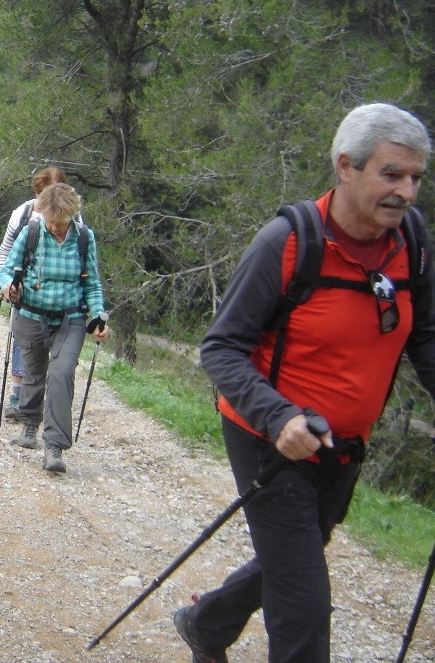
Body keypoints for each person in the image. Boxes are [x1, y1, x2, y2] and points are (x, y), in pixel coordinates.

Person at [178, 103, 435, 663]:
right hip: (269, 438)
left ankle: (207, 622)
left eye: (416, 177)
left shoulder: (411, 242)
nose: (407, 192)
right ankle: (212, 624)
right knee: (304, 604)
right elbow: (220, 348)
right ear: (346, 166)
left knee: (293, 556)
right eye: (391, 174)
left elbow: (425, 338)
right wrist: (279, 417)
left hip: (344, 446)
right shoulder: (289, 243)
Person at [0, 183, 108, 473]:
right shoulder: (31, 232)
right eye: (52, 221)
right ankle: (30, 424)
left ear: (73, 214)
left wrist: (97, 316)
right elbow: (7, 269)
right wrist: (9, 286)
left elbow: (92, 283)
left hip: (71, 318)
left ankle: (54, 446)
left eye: (62, 222)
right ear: (43, 213)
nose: (57, 227)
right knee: (34, 374)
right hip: (32, 314)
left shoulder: (85, 237)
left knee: (61, 374)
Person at [0, 167, 69, 421]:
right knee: (21, 339)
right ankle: (19, 395)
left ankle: (41, 398)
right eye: (45, 194)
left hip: (59, 293)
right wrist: (4, 282)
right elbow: (5, 249)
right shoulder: (24, 213)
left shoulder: (73, 217)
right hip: (23, 287)